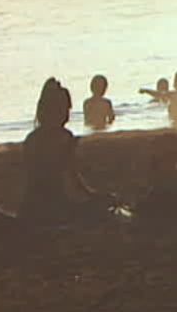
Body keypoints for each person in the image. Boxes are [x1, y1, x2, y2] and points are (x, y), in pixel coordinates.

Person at [16, 78, 126, 224]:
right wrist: (95, 196)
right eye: (65, 110)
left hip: (30, 206)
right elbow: (73, 181)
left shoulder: (31, 139)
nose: (67, 114)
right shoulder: (64, 138)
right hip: (57, 206)